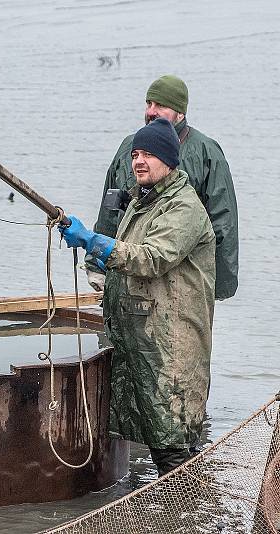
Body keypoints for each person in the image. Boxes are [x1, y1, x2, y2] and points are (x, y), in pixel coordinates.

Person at [61, 118, 216, 477]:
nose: (139, 161)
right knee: (153, 435)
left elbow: (151, 257)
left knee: (172, 446)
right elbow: (128, 254)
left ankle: (186, 517)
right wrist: (98, 255)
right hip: (142, 341)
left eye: (149, 154)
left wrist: (95, 241)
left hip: (171, 347)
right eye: (135, 154)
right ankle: (173, 512)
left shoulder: (183, 207)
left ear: (170, 160)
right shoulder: (141, 202)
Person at [86, 75, 238, 301]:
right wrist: (96, 265)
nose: (151, 111)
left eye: (160, 105)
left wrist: (219, 286)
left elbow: (223, 222)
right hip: (128, 270)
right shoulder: (129, 147)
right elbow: (111, 208)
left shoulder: (207, 153)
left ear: (180, 112)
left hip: (182, 277)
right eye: (149, 104)